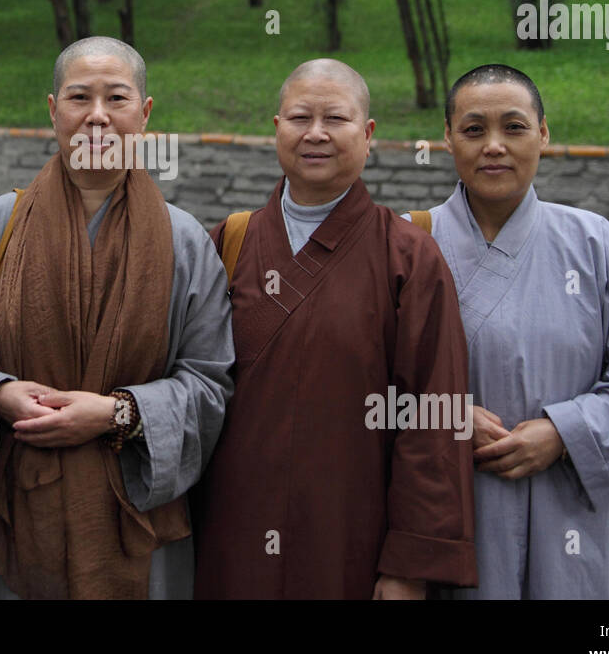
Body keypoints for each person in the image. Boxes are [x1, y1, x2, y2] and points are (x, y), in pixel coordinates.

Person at [0, 36, 234, 599]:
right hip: (12, 512)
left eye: (116, 98)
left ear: (144, 115)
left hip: (139, 520)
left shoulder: (185, 242)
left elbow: (210, 384)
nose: (97, 117)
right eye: (79, 97)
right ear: (53, 110)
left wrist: (116, 412)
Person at [194, 59, 477, 599]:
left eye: (336, 118)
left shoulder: (407, 255)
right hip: (233, 534)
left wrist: (408, 566)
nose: (316, 133)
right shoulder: (227, 243)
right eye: (300, 117)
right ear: (277, 128)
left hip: (353, 539)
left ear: (367, 134)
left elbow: (434, 414)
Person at [418, 63, 609, 599]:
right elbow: (362, 385)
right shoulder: (407, 246)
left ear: (543, 133)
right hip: (449, 513)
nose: (494, 145)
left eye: (513, 127)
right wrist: (442, 416)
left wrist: (567, 433)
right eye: (474, 129)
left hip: (566, 508)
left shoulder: (596, 245)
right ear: (447, 138)